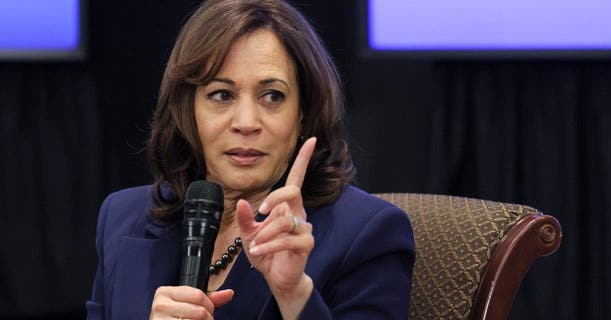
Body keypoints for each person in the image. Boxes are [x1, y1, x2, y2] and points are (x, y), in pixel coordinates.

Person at [86, 0, 415, 319]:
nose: (246, 122)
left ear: (303, 112)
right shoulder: (122, 219)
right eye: (222, 95)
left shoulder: (367, 233)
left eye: (272, 96)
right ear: (189, 111)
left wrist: (293, 294)